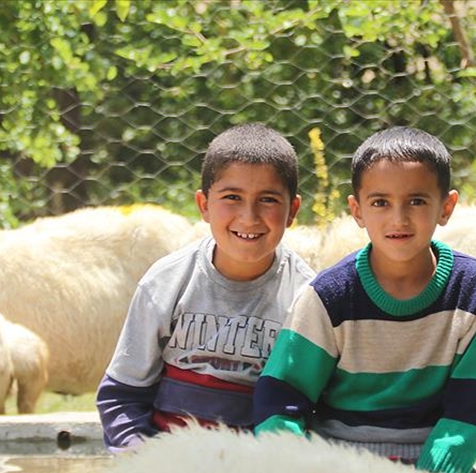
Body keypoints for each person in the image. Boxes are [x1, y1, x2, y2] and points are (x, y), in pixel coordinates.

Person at [253, 126, 476, 473]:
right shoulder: (329, 295)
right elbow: (281, 398)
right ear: (357, 210)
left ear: (446, 207)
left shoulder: (470, 288)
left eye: (416, 201)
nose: (398, 218)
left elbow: (471, 405)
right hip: (340, 471)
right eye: (380, 202)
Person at [96, 123, 316, 450]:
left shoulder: (307, 299)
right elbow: (122, 396)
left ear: (292, 210)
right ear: (203, 205)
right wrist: (140, 457)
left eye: (268, 200)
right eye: (231, 198)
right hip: (167, 462)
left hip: (261, 470)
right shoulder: (166, 282)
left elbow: (306, 408)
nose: (249, 216)